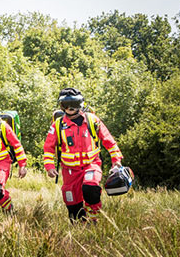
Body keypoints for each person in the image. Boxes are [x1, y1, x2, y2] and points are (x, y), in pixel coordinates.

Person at [43, 87, 123, 222]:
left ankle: (93, 220)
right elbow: (48, 147)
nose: (69, 107)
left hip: (91, 165)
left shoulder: (92, 121)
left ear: (79, 104)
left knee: (90, 187)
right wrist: (49, 166)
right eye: (65, 104)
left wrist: (116, 160)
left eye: (73, 104)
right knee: (73, 207)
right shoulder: (57, 125)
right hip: (69, 171)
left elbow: (109, 140)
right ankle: (79, 225)